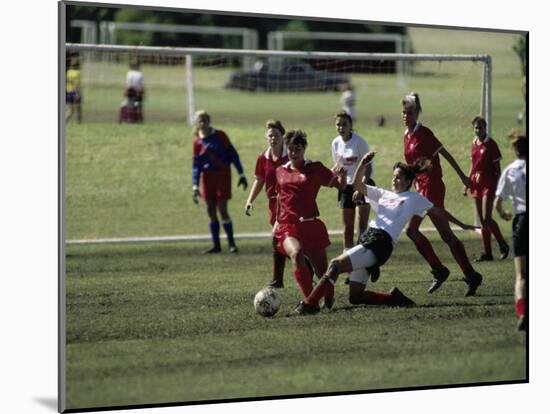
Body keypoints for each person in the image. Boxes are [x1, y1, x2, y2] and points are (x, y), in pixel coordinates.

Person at [294, 152, 431, 315]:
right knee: (356, 297)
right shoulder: (383, 194)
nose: (394, 179)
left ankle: (309, 304)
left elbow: (436, 210)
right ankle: (394, 298)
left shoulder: (413, 197)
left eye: (399, 177)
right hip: (369, 239)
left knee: (335, 265)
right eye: (393, 176)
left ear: (409, 181)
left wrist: (462, 224)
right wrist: (363, 164)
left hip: (379, 243)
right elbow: (357, 185)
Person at [400, 92, 483, 296]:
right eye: (403, 112)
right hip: (421, 188)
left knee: (412, 230)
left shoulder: (424, 134)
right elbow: (414, 167)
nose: (406, 116)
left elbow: (445, 154)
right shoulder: (406, 135)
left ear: (417, 113)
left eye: (410, 112)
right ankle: (470, 275)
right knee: (445, 234)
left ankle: (440, 271)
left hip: (433, 187)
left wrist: (464, 177)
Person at [273, 130, 347, 311]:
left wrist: (342, 174)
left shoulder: (315, 168)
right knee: (296, 254)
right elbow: (279, 198)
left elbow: (341, 186)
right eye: (290, 148)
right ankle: (310, 302)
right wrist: (276, 222)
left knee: (323, 273)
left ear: (304, 148)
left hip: (311, 225)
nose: (293, 152)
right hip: (288, 227)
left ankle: (328, 297)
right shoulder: (280, 171)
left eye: (297, 148)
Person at [192, 110, 248, 254]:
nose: (203, 122)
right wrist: (195, 185)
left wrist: (241, 173)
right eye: (200, 120)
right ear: (196, 123)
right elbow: (196, 166)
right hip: (207, 177)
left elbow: (233, 155)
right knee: (210, 209)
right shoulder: (197, 142)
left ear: (209, 121)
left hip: (222, 175)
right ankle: (216, 245)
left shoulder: (220, 136)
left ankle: (231, 244)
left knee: (222, 208)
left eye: (205, 119)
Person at [331, 111, 377, 283]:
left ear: (351, 125)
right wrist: (335, 172)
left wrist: (361, 186)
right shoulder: (335, 143)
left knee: (362, 228)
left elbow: (369, 167)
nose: (341, 127)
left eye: (344, 124)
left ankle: (365, 266)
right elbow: (338, 166)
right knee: (347, 230)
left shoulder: (359, 141)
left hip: (363, 185)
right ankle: (350, 270)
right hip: (345, 188)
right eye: (338, 124)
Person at [245, 120, 289, 288]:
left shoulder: (289, 155)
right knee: (283, 240)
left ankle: (278, 279)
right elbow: (260, 180)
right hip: (273, 205)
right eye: (270, 136)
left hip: (288, 203)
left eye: (276, 135)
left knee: (279, 238)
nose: (273, 139)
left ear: (282, 136)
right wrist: (250, 200)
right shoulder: (263, 158)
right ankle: (303, 270)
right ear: (266, 137)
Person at [494, 134, 527, 331]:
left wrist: (504, 213)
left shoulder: (510, 170)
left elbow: (498, 202)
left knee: (521, 275)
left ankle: (522, 312)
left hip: (522, 221)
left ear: (515, 151)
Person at [465, 116, 509, 261]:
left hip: (489, 182)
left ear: (485, 128)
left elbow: (498, 168)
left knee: (487, 217)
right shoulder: (474, 143)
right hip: (476, 183)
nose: (478, 130)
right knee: (482, 220)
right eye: (476, 128)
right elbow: (473, 165)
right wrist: (467, 182)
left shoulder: (491, 144)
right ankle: (487, 253)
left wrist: (498, 186)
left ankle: (502, 244)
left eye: (481, 127)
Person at [65, 58, 82, 123]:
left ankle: (65, 120)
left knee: (70, 110)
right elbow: (76, 84)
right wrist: (77, 93)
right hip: (74, 92)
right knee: (78, 108)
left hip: (68, 92)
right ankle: (78, 122)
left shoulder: (69, 72)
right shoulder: (77, 73)